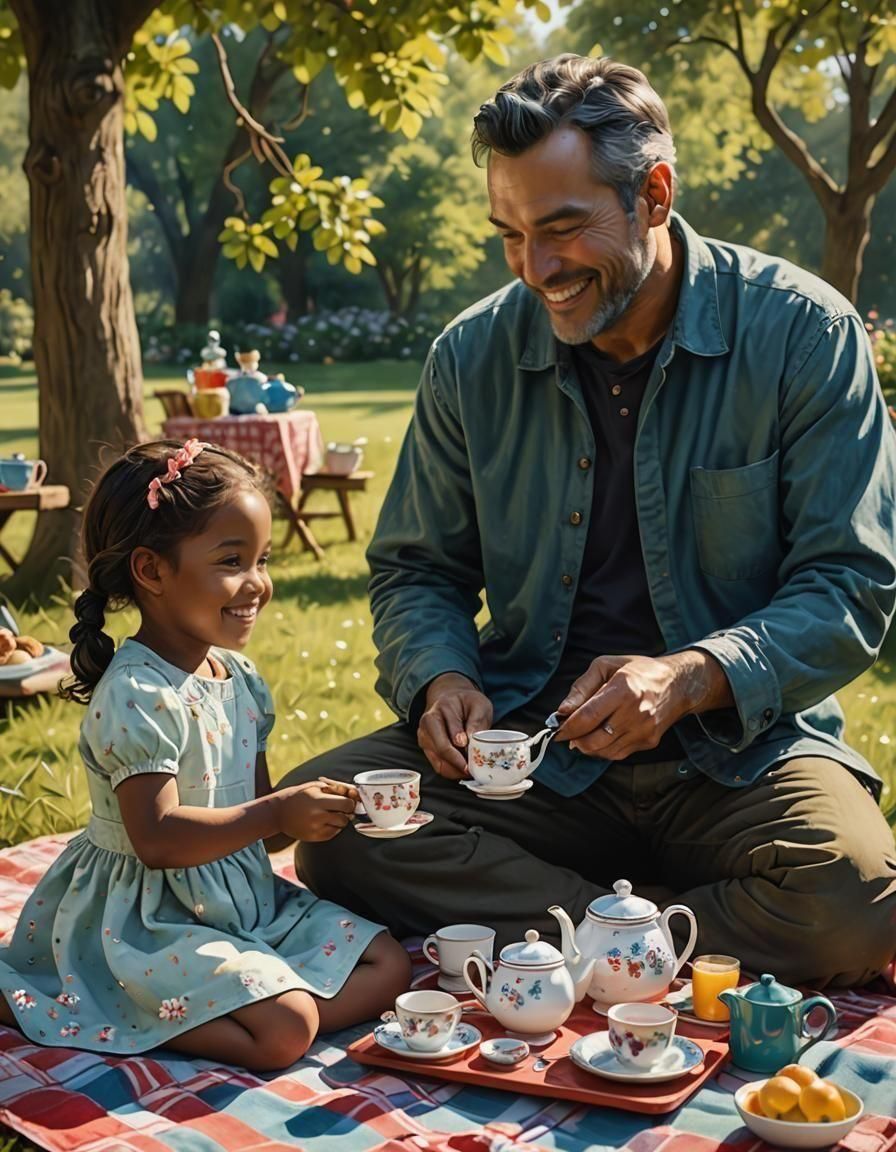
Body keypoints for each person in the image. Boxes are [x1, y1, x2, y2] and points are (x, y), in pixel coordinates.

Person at [279, 54, 896, 987]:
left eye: (563, 229)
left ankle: (571, 928)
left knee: (853, 898)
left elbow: (851, 582)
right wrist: (438, 677)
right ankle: (636, 933)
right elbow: (418, 569)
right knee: (338, 829)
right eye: (510, 236)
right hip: (532, 755)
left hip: (737, 752)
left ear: (654, 193)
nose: (536, 269)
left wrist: (692, 676)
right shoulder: (469, 358)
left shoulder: (806, 336)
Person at [0, 439, 410, 1069]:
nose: (258, 584)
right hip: (147, 920)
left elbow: (261, 836)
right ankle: (88, 1000)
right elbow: (158, 840)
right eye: (232, 560)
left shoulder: (240, 679)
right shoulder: (138, 693)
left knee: (389, 961)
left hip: (241, 902)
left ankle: (262, 1008)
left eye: (264, 559)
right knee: (286, 1030)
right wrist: (276, 814)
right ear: (152, 570)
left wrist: (317, 814)